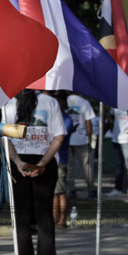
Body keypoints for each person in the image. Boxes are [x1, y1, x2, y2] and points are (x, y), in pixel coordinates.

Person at [5, 89, 66, 255]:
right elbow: (59, 136)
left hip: (20, 162)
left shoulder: (9, 103)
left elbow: (4, 136)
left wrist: (18, 162)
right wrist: (42, 163)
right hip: (44, 161)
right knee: (44, 215)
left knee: (21, 217)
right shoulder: (50, 102)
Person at [65, 93, 96, 198]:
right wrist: (90, 139)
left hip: (67, 139)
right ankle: (91, 190)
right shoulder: (84, 102)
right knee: (86, 166)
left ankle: (71, 190)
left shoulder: (64, 100)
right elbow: (88, 123)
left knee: (69, 166)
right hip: (82, 140)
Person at [52, 91, 74, 228]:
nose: (55, 102)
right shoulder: (53, 117)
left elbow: (61, 136)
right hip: (51, 158)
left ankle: (61, 220)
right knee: (54, 192)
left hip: (61, 158)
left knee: (59, 192)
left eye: (58, 99)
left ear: (64, 102)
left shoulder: (66, 119)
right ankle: (54, 219)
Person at [107, 108, 128, 198]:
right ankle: (118, 189)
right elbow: (111, 116)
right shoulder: (115, 104)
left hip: (127, 139)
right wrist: (111, 127)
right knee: (118, 165)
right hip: (116, 138)